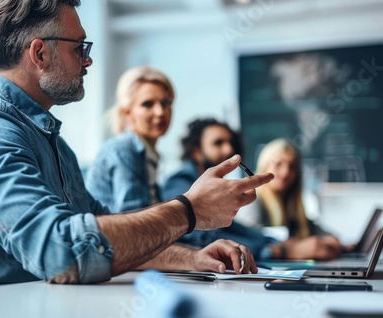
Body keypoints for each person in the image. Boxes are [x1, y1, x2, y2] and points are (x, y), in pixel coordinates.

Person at [0, 0, 273, 291]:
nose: (88, 60)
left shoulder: (50, 142)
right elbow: (59, 251)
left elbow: (104, 231)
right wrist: (189, 211)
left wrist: (191, 257)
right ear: (39, 53)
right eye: (80, 48)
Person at [162, 118, 344, 261]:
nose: (229, 148)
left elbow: (240, 230)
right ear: (196, 151)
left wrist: (278, 244)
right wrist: (279, 250)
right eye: (218, 143)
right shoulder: (179, 183)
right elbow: (202, 236)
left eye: (231, 142)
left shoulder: (213, 190)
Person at [85, 66, 173, 213]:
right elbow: (136, 220)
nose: (160, 112)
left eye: (165, 103)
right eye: (148, 104)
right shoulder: (124, 149)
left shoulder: (147, 154)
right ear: (127, 113)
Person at [239, 138, 344, 259]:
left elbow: (313, 228)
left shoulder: (290, 205)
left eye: (292, 166)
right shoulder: (252, 200)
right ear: (264, 166)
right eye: (278, 164)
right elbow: (248, 246)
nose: (286, 172)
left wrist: (333, 240)